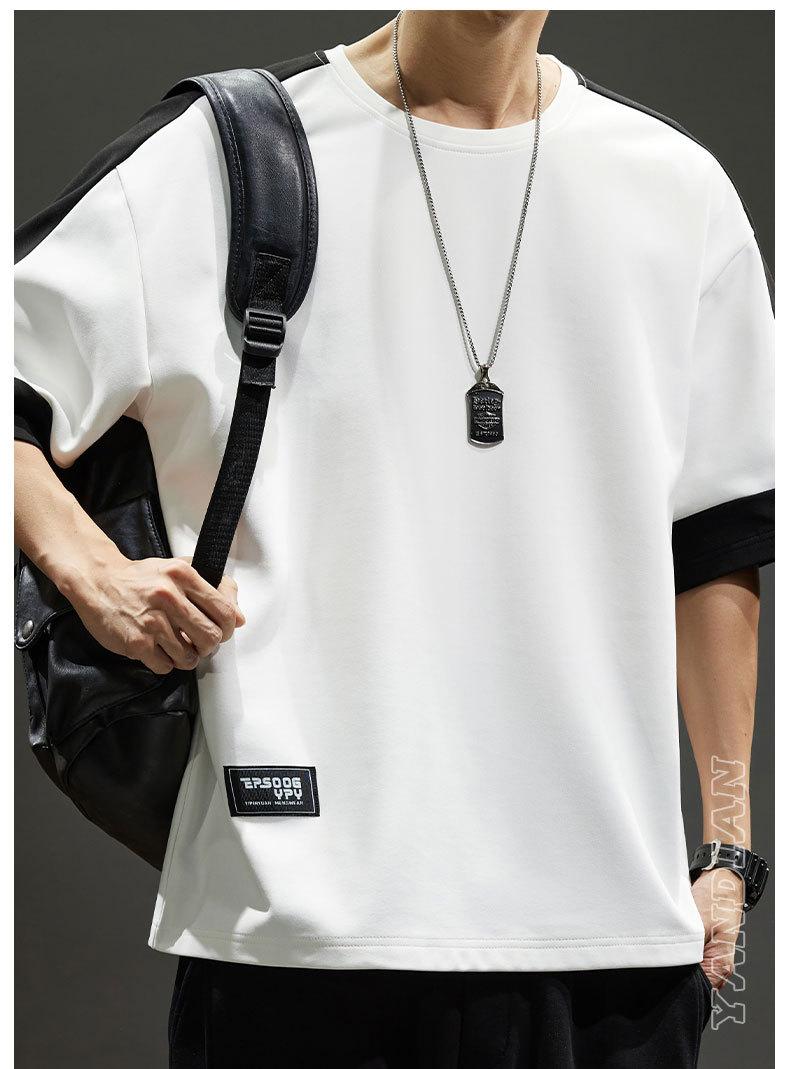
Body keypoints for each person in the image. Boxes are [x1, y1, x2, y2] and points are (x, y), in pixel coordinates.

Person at [14, 10, 773, 1068]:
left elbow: (716, 538)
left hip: (609, 944)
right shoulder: (229, 156)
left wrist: (728, 850)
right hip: (300, 932)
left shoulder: (675, 189)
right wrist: (90, 568)